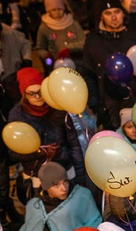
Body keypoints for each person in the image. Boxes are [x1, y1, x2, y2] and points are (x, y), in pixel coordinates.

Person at [83, 0, 136, 129]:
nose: (114, 17)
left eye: (117, 12)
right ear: (101, 16)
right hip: (109, 108)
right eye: (108, 13)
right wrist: (96, 106)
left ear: (123, 13)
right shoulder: (93, 41)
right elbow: (88, 75)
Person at [8, 67, 86, 200]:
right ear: (24, 95)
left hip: (65, 174)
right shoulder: (17, 116)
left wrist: (81, 176)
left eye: (40, 92)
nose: (37, 97)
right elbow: (13, 153)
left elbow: (74, 145)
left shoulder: (58, 109)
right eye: (31, 93)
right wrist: (40, 152)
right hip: (37, 179)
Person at [34, 0, 86, 64]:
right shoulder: (44, 28)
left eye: (60, 9)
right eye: (53, 10)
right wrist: (46, 55)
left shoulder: (73, 23)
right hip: (56, 63)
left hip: (76, 62)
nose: (57, 13)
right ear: (48, 11)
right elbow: (40, 48)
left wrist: (69, 48)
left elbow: (84, 42)